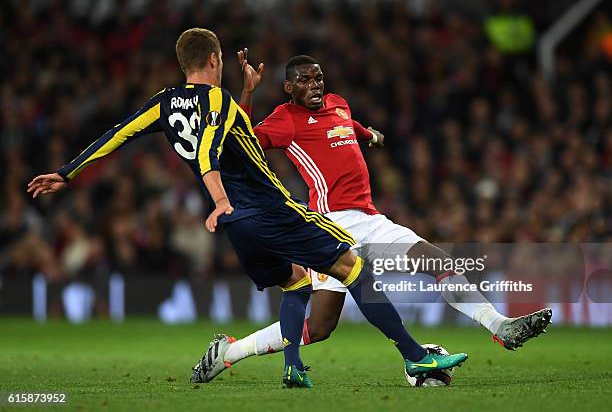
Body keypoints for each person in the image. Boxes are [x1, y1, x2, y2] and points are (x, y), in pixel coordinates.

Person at [27, 29, 468, 389]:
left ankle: (284, 364)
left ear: (185, 63)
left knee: (296, 286)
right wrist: (219, 197)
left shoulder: (165, 102)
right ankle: (415, 359)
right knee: (354, 268)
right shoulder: (216, 101)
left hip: (237, 224)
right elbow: (208, 151)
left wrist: (67, 172)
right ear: (215, 59)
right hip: (270, 208)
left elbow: (119, 132)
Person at [196, 51, 551, 383]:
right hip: (329, 224)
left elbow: (351, 126)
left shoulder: (338, 105)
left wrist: (372, 135)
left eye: (318, 78)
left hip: (372, 220)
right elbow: (240, 141)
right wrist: (246, 92)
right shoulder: (285, 120)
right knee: (319, 327)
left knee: (437, 260)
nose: (315, 85)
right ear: (289, 88)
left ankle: (499, 326)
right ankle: (231, 350)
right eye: (305, 80)